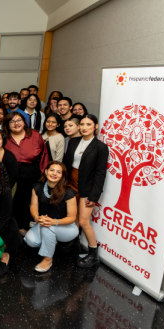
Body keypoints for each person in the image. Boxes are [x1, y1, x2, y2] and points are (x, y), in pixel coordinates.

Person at [63, 115, 109, 268]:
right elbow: (67, 164)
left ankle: (93, 255)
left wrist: (94, 195)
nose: (84, 127)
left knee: (83, 221)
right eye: (82, 124)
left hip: (86, 188)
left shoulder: (101, 147)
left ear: (95, 127)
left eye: (88, 124)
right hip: (71, 184)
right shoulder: (74, 141)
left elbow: (100, 173)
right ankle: (73, 245)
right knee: (73, 218)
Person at [25, 161, 78, 273]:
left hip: (67, 227)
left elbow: (72, 218)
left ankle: (47, 259)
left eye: (59, 172)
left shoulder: (68, 192)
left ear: (62, 176)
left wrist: (53, 222)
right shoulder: (37, 187)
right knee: (31, 241)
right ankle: (51, 241)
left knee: (47, 227)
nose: (54, 173)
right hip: (44, 223)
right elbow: (33, 207)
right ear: (46, 171)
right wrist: (37, 218)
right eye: (52, 170)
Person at [4, 112, 49, 232]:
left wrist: (44, 174)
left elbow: (44, 155)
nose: (16, 124)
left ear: (24, 122)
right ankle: (18, 227)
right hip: (13, 174)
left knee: (33, 201)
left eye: (19, 120)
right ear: (8, 125)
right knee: (15, 202)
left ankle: (31, 225)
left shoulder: (35, 135)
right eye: (12, 121)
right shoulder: (4, 138)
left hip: (33, 174)